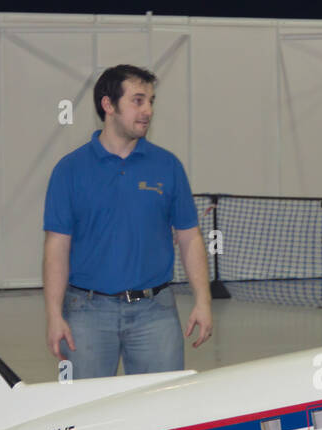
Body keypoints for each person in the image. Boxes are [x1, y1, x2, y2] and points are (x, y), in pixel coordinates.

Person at [43, 64, 213, 379]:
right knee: (83, 413)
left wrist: (203, 301)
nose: (147, 110)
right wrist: (54, 314)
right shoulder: (69, 170)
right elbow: (57, 246)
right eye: (137, 100)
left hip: (156, 314)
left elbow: (190, 237)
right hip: (86, 314)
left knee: (161, 415)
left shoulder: (168, 166)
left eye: (151, 101)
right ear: (108, 105)